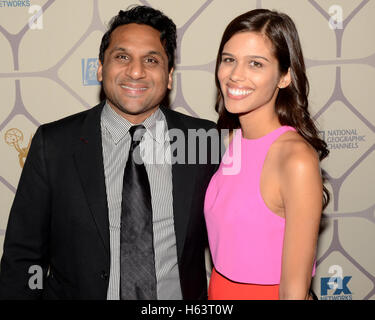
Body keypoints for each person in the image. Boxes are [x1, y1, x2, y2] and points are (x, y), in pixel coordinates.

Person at [0, 5, 219, 300]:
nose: (136, 71)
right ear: (101, 68)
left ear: (169, 76)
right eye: (122, 56)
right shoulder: (53, 144)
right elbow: (23, 257)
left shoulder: (203, 140)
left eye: (151, 60)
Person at [204, 9, 329, 300]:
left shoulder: (295, 159)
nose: (235, 75)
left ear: (285, 76)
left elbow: (293, 292)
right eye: (229, 60)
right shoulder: (231, 141)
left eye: (255, 64)